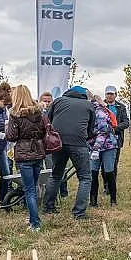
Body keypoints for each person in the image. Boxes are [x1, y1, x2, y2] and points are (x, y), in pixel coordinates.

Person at [42, 85, 95, 220]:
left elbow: (48, 120)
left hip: (58, 142)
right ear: (83, 95)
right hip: (78, 143)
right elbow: (91, 129)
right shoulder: (88, 105)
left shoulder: (58, 101)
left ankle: (48, 207)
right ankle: (79, 213)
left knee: (56, 175)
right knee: (85, 178)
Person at [5, 85, 47, 231]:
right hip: (38, 151)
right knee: (34, 187)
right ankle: (33, 218)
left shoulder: (15, 115)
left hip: (24, 153)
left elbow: (11, 136)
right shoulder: (39, 113)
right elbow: (44, 131)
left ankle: (35, 223)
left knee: (29, 189)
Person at [89, 94, 119, 207]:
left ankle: (113, 200)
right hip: (94, 147)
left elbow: (103, 131)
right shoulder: (89, 111)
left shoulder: (100, 112)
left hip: (108, 146)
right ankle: (93, 201)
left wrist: (96, 149)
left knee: (109, 172)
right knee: (93, 172)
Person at [101, 85, 129, 194]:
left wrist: (115, 128)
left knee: (113, 164)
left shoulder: (121, 107)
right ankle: (105, 185)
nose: (109, 96)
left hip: (116, 139)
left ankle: (111, 187)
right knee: (103, 165)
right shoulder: (100, 106)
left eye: (112, 94)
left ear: (116, 95)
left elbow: (126, 122)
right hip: (102, 140)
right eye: (108, 94)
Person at [40, 91, 68, 198]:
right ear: (40, 101)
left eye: (49, 101)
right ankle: (44, 193)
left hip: (51, 145)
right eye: (44, 101)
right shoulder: (37, 112)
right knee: (41, 172)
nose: (47, 103)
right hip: (39, 145)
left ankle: (62, 192)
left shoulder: (57, 112)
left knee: (53, 169)